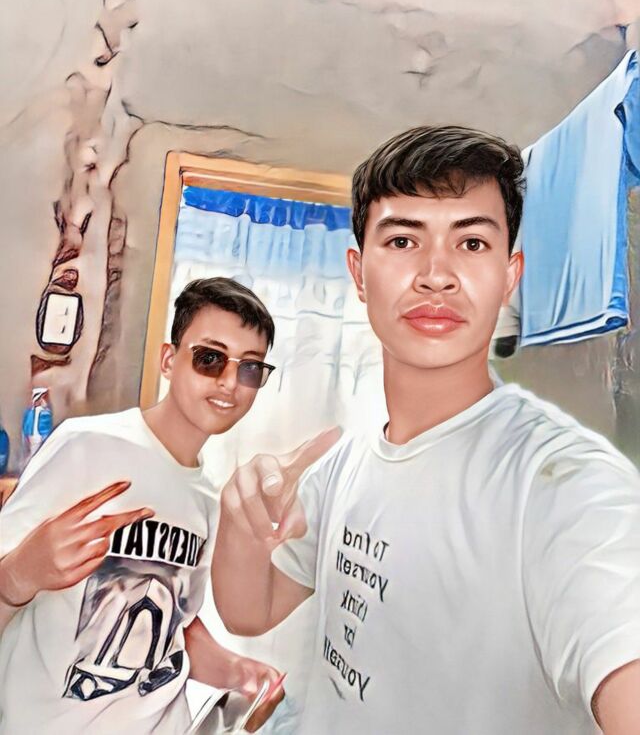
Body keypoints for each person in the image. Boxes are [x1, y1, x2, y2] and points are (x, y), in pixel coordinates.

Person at [212, 126, 640, 734]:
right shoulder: (344, 460)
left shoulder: (567, 484)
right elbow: (250, 611)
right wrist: (241, 525)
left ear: (509, 276)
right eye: (403, 240)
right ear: (359, 273)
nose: (436, 275)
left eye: (471, 242)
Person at [0, 277, 285, 734]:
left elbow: (173, 627)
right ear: (169, 360)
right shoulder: (87, 446)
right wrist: (22, 572)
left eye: (250, 368)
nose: (230, 382)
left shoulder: (208, 500)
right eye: (209, 358)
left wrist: (236, 671)